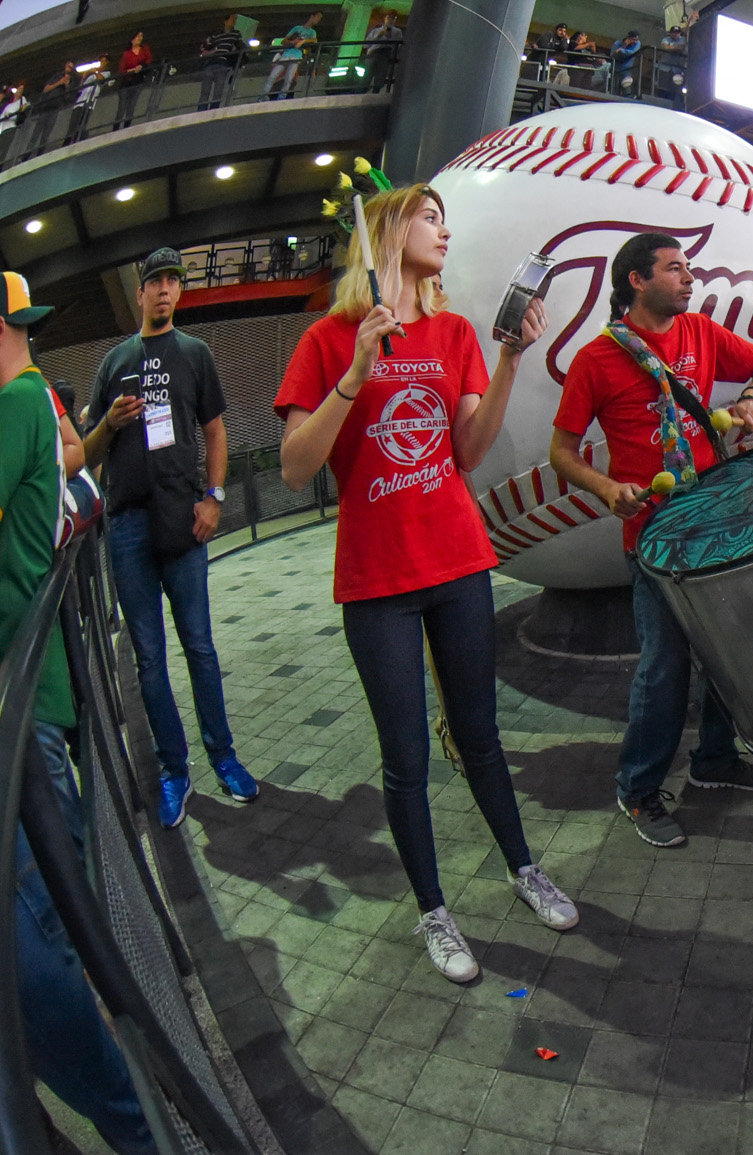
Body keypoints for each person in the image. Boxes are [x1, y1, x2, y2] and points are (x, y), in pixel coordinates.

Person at [275, 185, 578, 982]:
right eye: (430, 217)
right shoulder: (327, 338)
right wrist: (356, 374)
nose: (444, 232)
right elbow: (296, 466)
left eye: (446, 220)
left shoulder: (452, 334)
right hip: (376, 578)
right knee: (405, 755)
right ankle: (433, 912)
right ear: (387, 229)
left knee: (480, 734)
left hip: (456, 560)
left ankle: (522, 867)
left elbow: (470, 450)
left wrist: (510, 357)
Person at [549, 233, 753, 849]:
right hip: (652, 532)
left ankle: (713, 760)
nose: (688, 278)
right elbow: (562, 453)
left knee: (729, 648)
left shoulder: (702, 332)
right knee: (664, 666)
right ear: (636, 280)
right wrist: (605, 488)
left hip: (712, 517)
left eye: (688, 267)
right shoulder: (596, 359)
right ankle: (638, 788)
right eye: (675, 269)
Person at [3, 272, 159, 1154]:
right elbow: (75, 477)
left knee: (45, 930)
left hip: (31, 705)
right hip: (39, 698)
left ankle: (136, 1120)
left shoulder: (22, 396)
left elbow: (75, 486)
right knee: (52, 920)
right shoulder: (33, 397)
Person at [84, 247, 257, 830]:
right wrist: (109, 422)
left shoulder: (195, 354)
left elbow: (215, 432)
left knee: (201, 648)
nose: (164, 290)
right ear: (139, 293)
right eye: (155, 281)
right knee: (151, 660)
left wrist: (214, 498)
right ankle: (174, 770)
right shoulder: (113, 362)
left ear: (179, 294)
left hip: (185, 519)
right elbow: (87, 454)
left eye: (173, 282)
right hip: (129, 524)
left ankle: (224, 757)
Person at [21, 62, 74, 160]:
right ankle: (26, 155)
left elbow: (68, 97)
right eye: (68, 66)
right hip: (46, 107)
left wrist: (66, 86)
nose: (69, 68)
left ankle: (39, 154)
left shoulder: (71, 80)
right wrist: (59, 82)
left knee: (46, 134)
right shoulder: (57, 75)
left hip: (55, 109)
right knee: (36, 133)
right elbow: (46, 89)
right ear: (65, 66)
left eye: (71, 67)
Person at [265, 13, 321, 99]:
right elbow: (284, 41)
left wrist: (303, 41)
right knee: (273, 77)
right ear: (312, 16)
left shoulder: (312, 32)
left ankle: (281, 97)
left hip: (296, 57)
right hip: (286, 55)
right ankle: (263, 96)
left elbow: (314, 40)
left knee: (288, 79)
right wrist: (293, 42)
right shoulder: (297, 28)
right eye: (317, 17)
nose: (318, 20)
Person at [197, 14, 245, 111]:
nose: (234, 21)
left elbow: (240, 46)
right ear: (226, 21)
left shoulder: (236, 34)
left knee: (218, 91)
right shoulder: (216, 35)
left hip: (223, 63)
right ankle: (202, 111)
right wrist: (206, 46)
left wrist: (235, 50)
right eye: (232, 19)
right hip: (212, 63)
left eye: (235, 20)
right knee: (205, 90)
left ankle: (213, 111)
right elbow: (207, 47)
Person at [65, 57, 107, 144]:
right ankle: (67, 143)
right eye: (100, 61)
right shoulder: (90, 75)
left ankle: (80, 141)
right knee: (72, 126)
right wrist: (84, 76)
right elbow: (81, 88)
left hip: (89, 103)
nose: (101, 63)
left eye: (104, 62)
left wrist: (94, 71)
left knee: (82, 124)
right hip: (79, 102)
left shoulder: (106, 73)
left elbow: (101, 79)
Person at [114, 32, 152, 128]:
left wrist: (141, 67)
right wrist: (131, 70)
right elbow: (121, 70)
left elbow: (149, 60)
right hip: (126, 82)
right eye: (137, 36)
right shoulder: (127, 54)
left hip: (137, 81)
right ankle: (116, 127)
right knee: (122, 106)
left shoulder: (144, 49)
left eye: (141, 36)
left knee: (132, 105)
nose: (139, 38)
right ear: (132, 39)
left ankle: (126, 127)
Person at [363, 10, 404, 92]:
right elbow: (366, 45)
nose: (390, 20)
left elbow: (397, 45)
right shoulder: (376, 30)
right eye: (388, 17)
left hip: (385, 53)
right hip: (373, 53)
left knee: (380, 75)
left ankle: (376, 91)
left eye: (393, 18)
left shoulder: (397, 32)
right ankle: (363, 90)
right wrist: (378, 36)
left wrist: (388, 34)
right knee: (367, 74)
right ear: (385, 18)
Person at [608, 30, 643, 96]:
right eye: (633, 40)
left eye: (636, 40)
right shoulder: (617, 43)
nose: (635, 42)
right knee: (613, 87)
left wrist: (621, 50)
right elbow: (612, 55)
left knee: (627, 86)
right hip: (616, 68)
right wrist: (624, 46)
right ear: (628, 38)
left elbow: (633, 52)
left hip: (627, 69)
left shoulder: (637, 43)